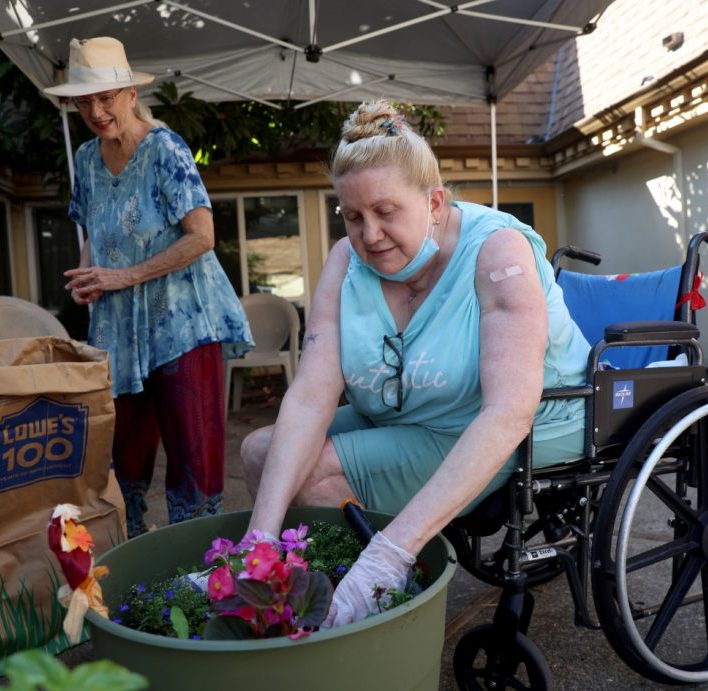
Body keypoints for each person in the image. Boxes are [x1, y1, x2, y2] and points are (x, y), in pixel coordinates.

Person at [242, 101, 590, 628]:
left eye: (385, 212)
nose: (370, 235)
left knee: (312, 477)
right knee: (258, 452)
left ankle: (363, 611)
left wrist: (393, 549)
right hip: (415, 412)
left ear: (433, 202)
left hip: (526, 423)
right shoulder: (346, 260)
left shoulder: (497, 253)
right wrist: (256, 541)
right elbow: (312, 394)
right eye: (353, 216)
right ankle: (276, 582)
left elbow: (507, 414)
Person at [44, 37, 252, 539]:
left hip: (181, 320)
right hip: (118, 327)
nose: (96, 110)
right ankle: (134, 551)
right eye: (84, 101)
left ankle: (204, 562)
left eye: (106, 97)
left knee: (192, 454)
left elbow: (202, 236)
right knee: (124, 453)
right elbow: (95, 230)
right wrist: (87, 277)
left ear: (131, 93)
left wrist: (124, 275)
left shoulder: (165, 148)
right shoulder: (88, 160)